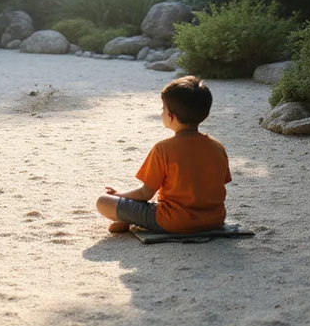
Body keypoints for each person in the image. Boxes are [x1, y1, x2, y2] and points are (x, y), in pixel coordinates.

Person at [96, 75, 231, 234]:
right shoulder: (218, 147)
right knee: (156, 200)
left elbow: (144, 193)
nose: (162, 113)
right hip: (214, 221)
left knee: (103, 201)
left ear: (170, 116)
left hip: (172, 221)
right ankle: (127, 219)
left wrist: (119, 194)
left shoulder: (163, 149)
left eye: (163, 109)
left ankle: (127, 218)